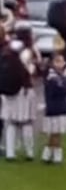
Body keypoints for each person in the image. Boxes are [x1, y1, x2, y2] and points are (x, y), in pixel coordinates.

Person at [1, 28, 38, 161]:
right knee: (26, 122)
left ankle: (10, 153)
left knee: (11, 122)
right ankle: (29, 152)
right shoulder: (27, 51)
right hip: (25, 90)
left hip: (8, 90)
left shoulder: (8, 49)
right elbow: (31, 70)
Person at [41, 50, 66, 163]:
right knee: (56, 134)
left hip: (58, 108)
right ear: (52, 63)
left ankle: (47, 155)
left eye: (62, 61)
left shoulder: (56, 77)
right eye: (57, 61)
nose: (61, 63)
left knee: (55, 134)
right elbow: (62, 90)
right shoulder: (52, 78)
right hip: (55, 109)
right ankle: (57, 157)